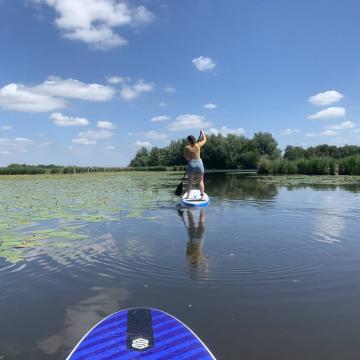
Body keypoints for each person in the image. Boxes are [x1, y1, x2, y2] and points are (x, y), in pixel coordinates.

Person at [184, 130, 206, 199]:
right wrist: (203, 133)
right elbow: (205, 139)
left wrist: (190, 157)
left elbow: (186, 158)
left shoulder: (187, 148)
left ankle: (187, 197)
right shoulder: (198, 144)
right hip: (199, 163)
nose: (187, 142)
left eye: (187, 140)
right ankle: (202, 197)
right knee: (200, 181)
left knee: (190, 182)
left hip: (191, 164)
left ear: (189, 141)